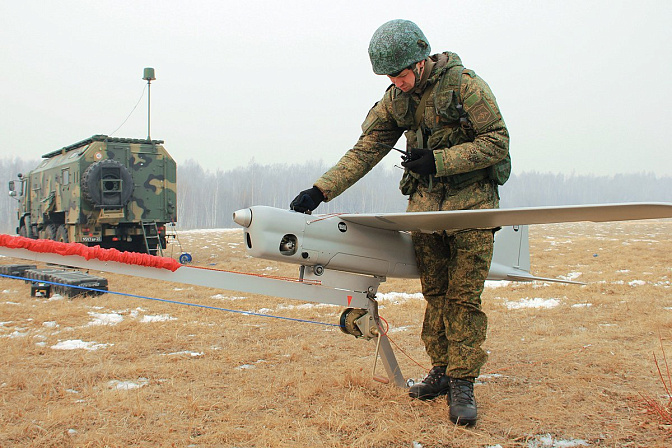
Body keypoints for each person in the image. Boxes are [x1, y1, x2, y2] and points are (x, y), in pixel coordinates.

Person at [290, 19, 510, 426]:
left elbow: (497, 141)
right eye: (391, 76)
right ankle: (442, 371)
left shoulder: (466, 86)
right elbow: (365, 150)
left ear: (422, 59)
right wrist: (320, 191)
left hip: (471, 209)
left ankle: (463, 383)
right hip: (425, 210)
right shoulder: (395, 100)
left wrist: (440, 161)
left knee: (463, 298)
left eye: (402, 74)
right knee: (435, 293)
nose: (398, 82)